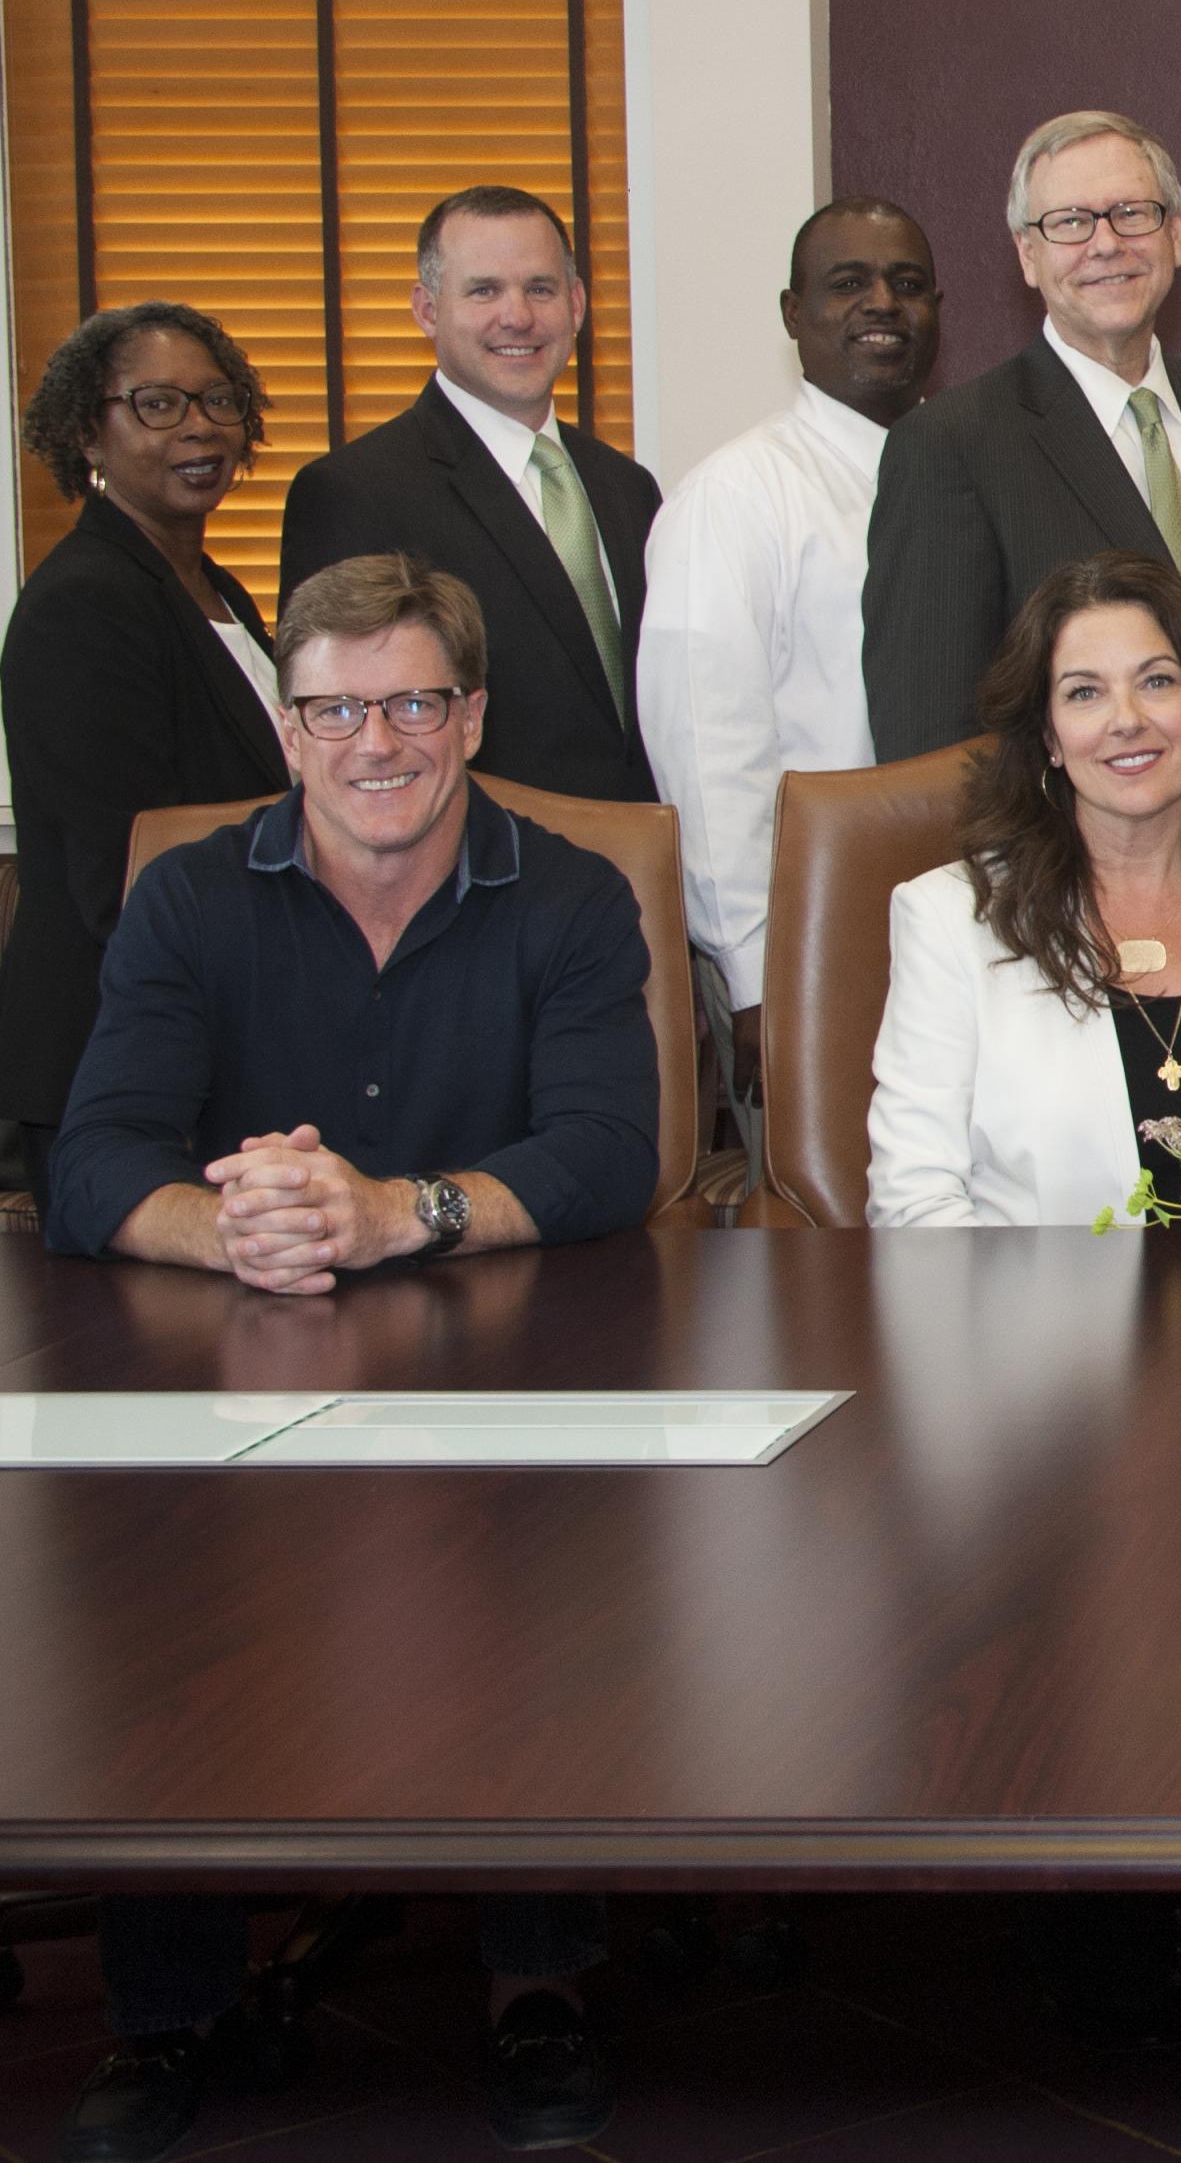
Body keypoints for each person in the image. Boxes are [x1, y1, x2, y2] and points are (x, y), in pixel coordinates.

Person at [43, 553, 652, 2160]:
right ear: (288, 724)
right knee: (158, 1591)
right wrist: (233, 1227)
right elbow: (96, 1159)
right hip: (243, 1347)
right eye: (332, 710)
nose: (371, 743)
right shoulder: (187, 895)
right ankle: (164, 2015)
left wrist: (401, 1212)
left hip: (502, 1354)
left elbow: (608, 1154)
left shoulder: (574, 892)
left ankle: (541, 1991)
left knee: (558, 1558)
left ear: (469, 717)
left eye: (408, 703)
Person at [867, 552, 1181, 1226]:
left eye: (1156, 681)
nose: (1127, 719)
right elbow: (912, 1206)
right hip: (1033, 1327)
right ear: (1050, 738)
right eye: (1084, 692)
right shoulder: (951, 921)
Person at [860, 109, 1181, 760]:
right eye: (1070, 221)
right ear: (1028, 254)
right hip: (1064, 854)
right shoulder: (949, 446)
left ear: (1176, 234)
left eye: (1132, 212)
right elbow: (931, 745)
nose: (1106, 244)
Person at [637, 197, 944, 1133]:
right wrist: (752, 978)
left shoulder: (964, 475)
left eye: (907, 284)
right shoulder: (734, 496)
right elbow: (707, 747)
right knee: (833, 1255)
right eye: (847, 284)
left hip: (967, 939)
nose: (880, 304)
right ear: (791, 313)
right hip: (816, 955)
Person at [1, 303, 288, 1186]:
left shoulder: (214, 586)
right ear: (90, 432)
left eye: (219, 400)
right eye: (158, 403)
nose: (199, 425)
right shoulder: (84, 603)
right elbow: (122, 876)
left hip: (211, 1038)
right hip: (121, 1061)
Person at [278, 185, 661, 801]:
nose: (517, 316)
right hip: (476, 878)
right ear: (427, 310)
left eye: (540, 288)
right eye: (483, 290)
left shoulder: (629, 489)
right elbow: (342, 741)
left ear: (578, 303)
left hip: (644, 867)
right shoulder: (354, 492)